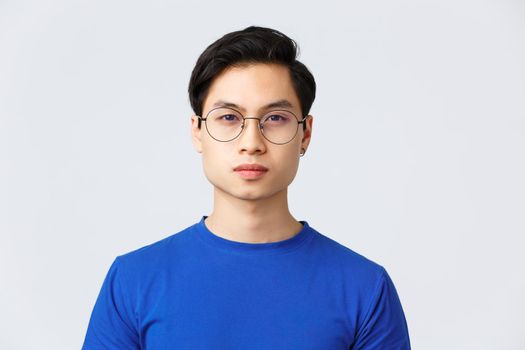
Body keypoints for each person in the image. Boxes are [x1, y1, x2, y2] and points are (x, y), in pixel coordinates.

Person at [82, 26, 411, 349]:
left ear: (305, 134)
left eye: (275, 118)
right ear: (197, 131)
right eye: (228, 118)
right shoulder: (133, 281)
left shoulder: (364, 288)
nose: (251, 143)